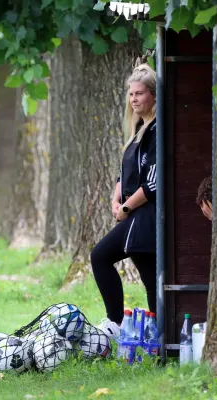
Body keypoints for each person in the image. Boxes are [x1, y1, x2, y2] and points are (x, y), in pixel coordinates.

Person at [91, 64, 158, 341]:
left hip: (145, 215)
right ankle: (158, 334)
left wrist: (127, 207)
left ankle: (114, 322)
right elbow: (126, 171)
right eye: (131, 94)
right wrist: (116, 197)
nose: (134, 99)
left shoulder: (158, 132)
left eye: (140, 93)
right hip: (132, 213)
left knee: (100, 256)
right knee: (152, 280)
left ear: (154, 95)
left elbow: (152, 182)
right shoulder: (138, 130)